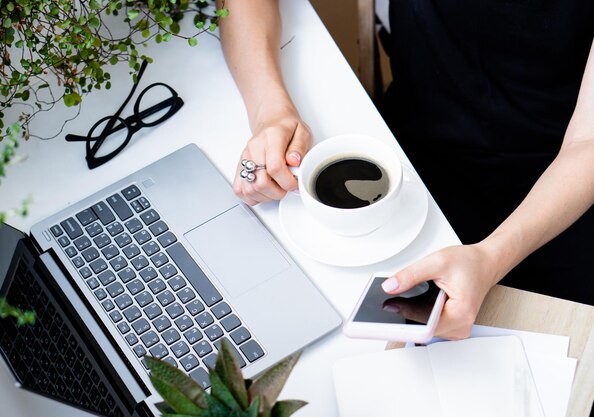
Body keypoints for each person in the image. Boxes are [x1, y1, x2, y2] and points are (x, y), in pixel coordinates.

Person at [218, 0, 594, 339]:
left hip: (562, 185)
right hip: (412, 153)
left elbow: (587, 142)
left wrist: (490, 257)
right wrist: (271, 114)